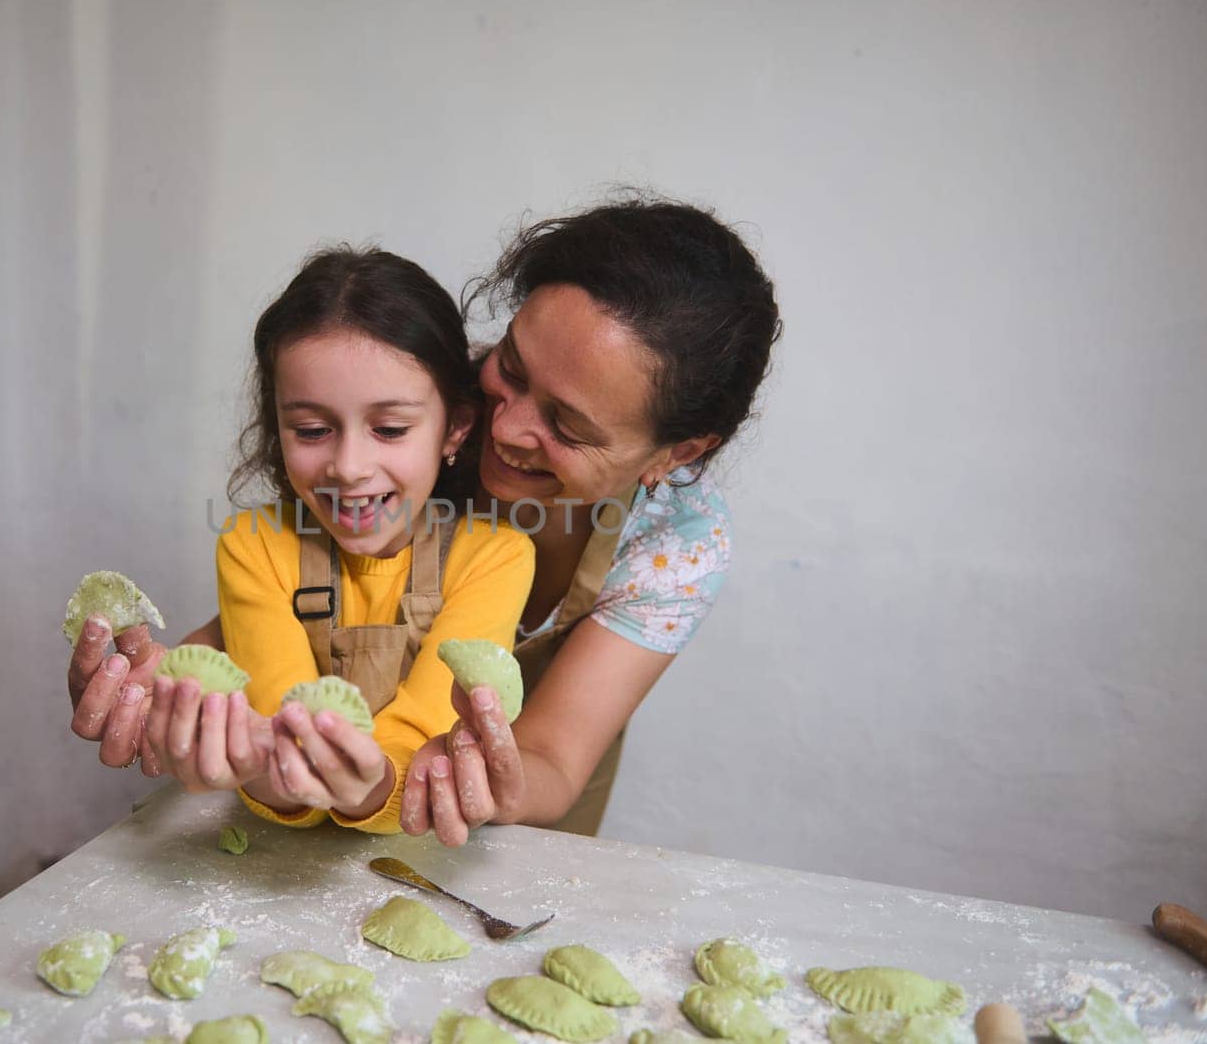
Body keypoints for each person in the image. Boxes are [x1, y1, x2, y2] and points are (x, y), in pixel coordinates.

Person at [68, 195, 779, 846]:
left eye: (565, 424)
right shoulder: (417, 409)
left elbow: (555, 755)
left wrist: (450, 776)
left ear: (677, 452)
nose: (507, 425)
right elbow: (291, 588)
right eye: (513, 366)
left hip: (502, 822)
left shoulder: (676, 542)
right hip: (297, 806)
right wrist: (164, 685)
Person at [70, 247, 534, 834]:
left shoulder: (494, 557)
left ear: (456, 427)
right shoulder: (255, 545)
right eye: (312, 430)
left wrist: (370, 787)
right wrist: (260, 763)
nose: (349, 466)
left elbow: (424, 737)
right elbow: (278, 717)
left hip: (432, 847)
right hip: (276, 853)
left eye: (390, 429)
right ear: (278, 427)